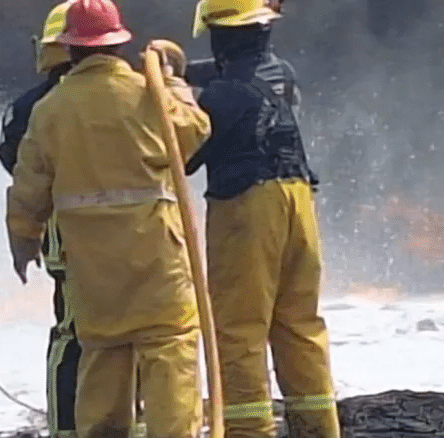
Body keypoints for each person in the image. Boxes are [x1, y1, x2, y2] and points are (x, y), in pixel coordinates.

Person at [4, 0, 212, 436]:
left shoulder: (50, 111)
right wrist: (173, 84)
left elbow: (28, 189)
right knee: (169, 354)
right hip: (157, 263)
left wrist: (23, 243)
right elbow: (194, 133)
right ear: (118, 43)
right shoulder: (147, 93)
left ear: (69, 48)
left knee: (103, 358)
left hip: (94, 272)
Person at [186, 0, 343, 437]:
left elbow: (186, 159)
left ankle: (249, 431)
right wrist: (183, 72)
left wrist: (175, 95)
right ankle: (318, 427)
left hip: (248, 208)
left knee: (239, 330)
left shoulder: (218, 99)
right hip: (299, 200)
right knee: (299, 325)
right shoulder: (282, 75)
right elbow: (239, 75)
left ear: (221, 36)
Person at [0, 2, 79, 437]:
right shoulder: (135, 92)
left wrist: (25, 237)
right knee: (134, 336)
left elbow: (16, 166)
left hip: (70, 241)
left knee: (73, 334)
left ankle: (68, 427)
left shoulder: (31, 108)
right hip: (140, 243)